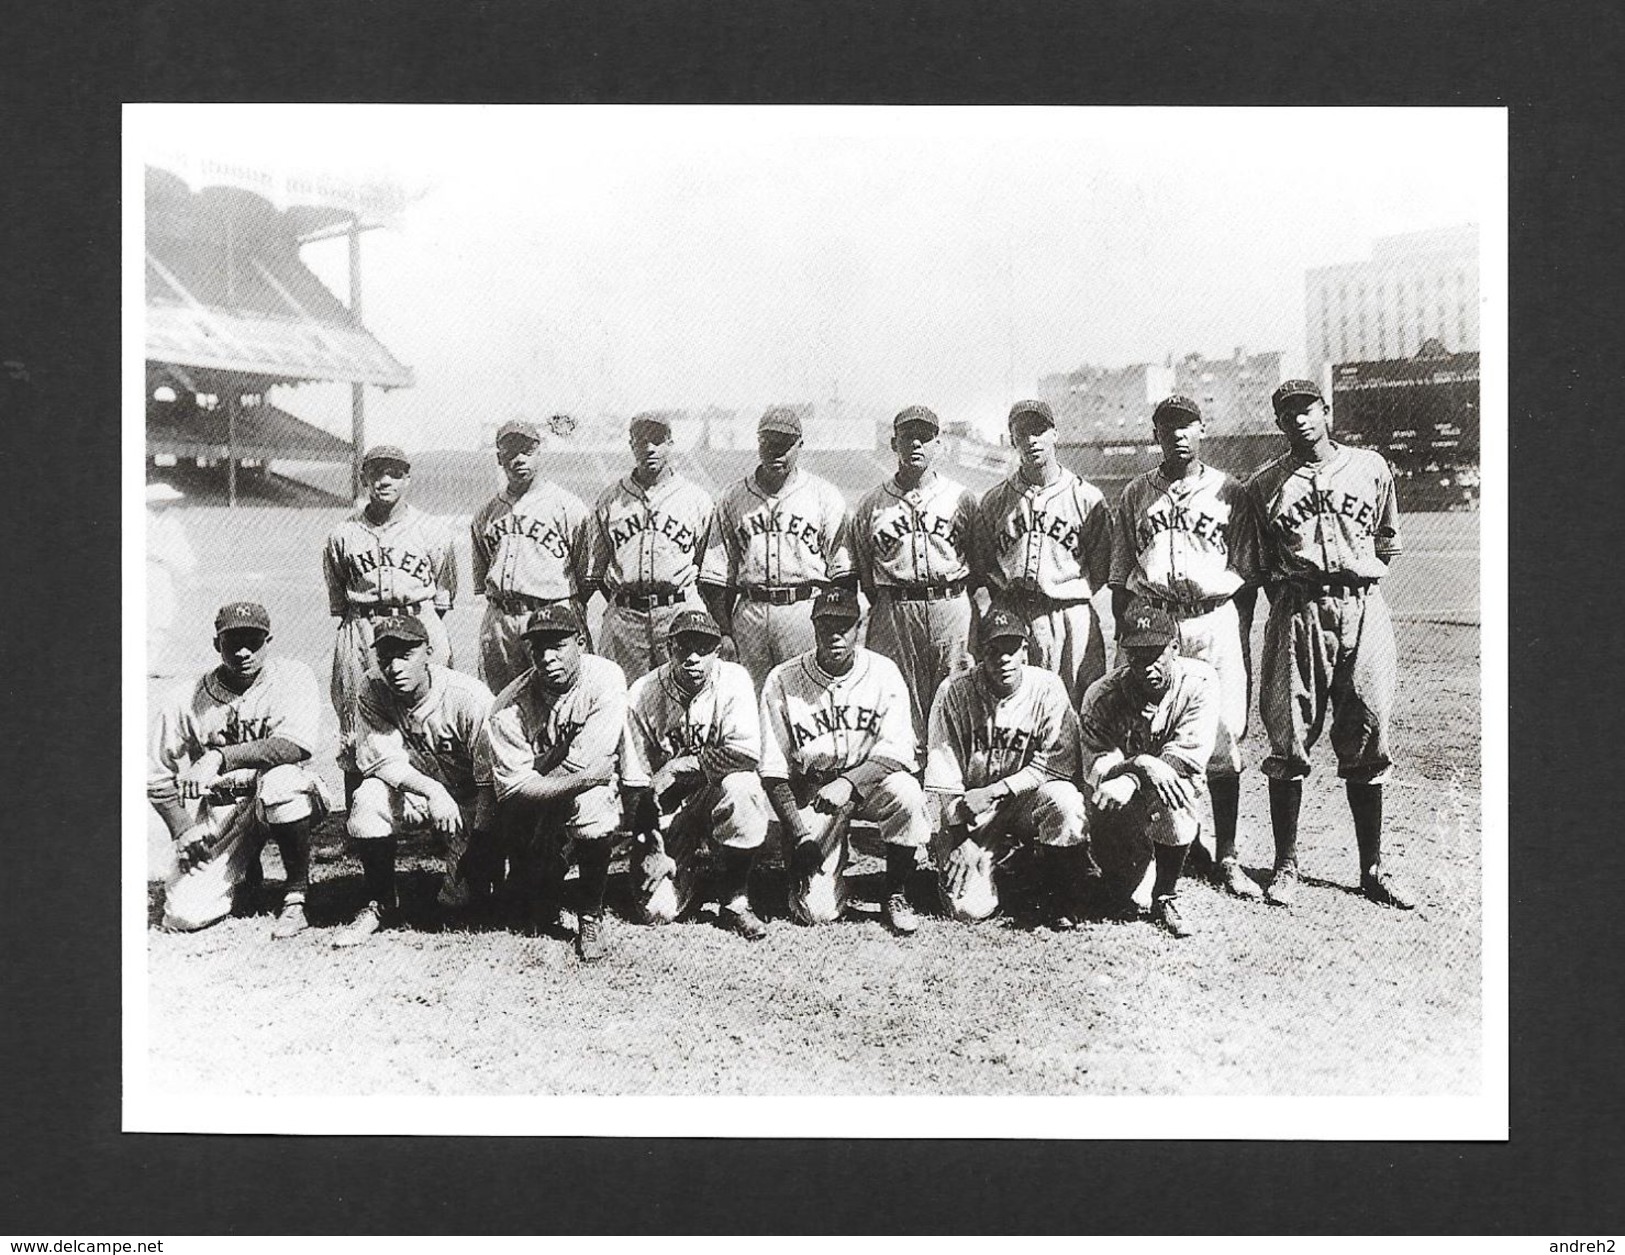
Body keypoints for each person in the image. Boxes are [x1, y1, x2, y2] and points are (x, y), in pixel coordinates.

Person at [1245, 379, 1413, 911]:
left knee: (1367, 731)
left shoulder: (1370, 466)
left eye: (1308, 410)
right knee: (1288, 737)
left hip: (1363, 607)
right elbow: (1259, 562)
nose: (1299, 420)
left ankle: (1372, 868)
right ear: (1279, 423)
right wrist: (1292, 595)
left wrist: (1363, 576)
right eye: (1288, 413)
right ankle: (1286, 865)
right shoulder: (1263, 484)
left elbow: (1388, 537)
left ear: (1326, 412)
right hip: (1298, 610)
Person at [1110, 394, 1263, 900]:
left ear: (1203, 429)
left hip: (1210, 619)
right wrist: (1128, 634)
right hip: (1153, 621)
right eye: (1167, 426)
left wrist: (1236, 637)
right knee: (1145, 735)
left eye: (1186, 425)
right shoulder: (1136, 493)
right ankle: (1157, 849)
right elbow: (1119, 578)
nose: (1177, 434)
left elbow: (1245, 577)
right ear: (1155, 434)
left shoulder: (1230, 492)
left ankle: (1228, 855)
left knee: (1221, 738)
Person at [147, 602, 329, 937]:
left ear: (268, 641)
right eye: (233, 642)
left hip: (280, 794)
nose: (243, 651)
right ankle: (244, 876)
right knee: (183, 916)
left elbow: (296, 745)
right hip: (222, 809)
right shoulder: (185, 698)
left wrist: (217, 757)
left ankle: (295, 897)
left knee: (282, 783)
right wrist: (182, 828)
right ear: (217, 644)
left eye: (253, 641)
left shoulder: (293, 676)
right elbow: (155, 775)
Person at [758, 588, 930, 933]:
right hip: (815, 794)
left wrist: (849, 783)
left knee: (907, 792)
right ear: (813, 627)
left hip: (871, 784)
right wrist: (800, 834)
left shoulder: (883, 671)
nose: (835, 634)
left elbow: (898, 750)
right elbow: (773, 770)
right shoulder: (783, 678)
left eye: (844, 625)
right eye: (826, 625)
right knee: (815, 913)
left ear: (859, 627)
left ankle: (895, 891)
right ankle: (826, 869)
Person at [330, 615, 498, 948]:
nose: (394, 667)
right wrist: (433, 791)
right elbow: (379, 760)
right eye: (386, 657)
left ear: (429, 652)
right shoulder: (372, 687)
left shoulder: (469, 697)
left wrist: (479, 846)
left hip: (471, 801)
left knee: (461, 903)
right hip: (418, 792)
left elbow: (491, 783)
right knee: (368, 799)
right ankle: (379, 902)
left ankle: (473, 875)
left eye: (405, 655)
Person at [926, 608, 1094, 927]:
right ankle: (1010, 861)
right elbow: (942, 780)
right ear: (978, 654)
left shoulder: (1048, 688)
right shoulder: (953, 692)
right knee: (967, 911)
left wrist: (998, 790)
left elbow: (1058, 765)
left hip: (1024, 802)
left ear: (1025, 653)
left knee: (1064, 800)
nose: (1003, 659)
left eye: (1011, 649)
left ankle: (1059, 891)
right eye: (993, 650)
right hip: (972, 814)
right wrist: (960, 840)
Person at [482, 603, 628, 961]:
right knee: (528, 915)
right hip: (528, 807)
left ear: (580, 642)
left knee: (592, 799)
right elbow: (514, 790)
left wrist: (571, 780)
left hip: (586, 794)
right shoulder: (507, 706)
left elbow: (591, 767)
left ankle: (590, 915)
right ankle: (538, 874)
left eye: (557, 645)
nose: (546, 657)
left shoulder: (605, 678)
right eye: (538, 647)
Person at [620, 609, 772, 939]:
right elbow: (634, 786)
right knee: (656, 912)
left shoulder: (734, 679)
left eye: (703, 649)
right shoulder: (642, 693)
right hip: (667, 809)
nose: (692, 657)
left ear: (717, 651)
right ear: (667, 649)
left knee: (744, 788)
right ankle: (692, 876)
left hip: (712, 791)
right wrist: (648, 847)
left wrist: (679, 766)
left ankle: (734, 898)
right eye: (683, 647)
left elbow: (746, 754)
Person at [323, 445, 457, 799]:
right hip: (362, 626)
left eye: (394, 473)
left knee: (432, 713)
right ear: (363, 477)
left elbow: (443, 594)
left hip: (417, 619)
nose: (384, 480)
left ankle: (438, 807)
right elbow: (339, 598)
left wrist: (421, 629)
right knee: (354, 717)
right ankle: (358, 810)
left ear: (407, 479)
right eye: (376, 472)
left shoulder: (433, 530)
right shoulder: (342, 534)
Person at [1078, 604, 1220, 938]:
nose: (1147, 666)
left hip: (1164, 790)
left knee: (1176, 785)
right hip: (1117, 802)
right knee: (1124, 894)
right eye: (1137, 655)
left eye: (1155, 653)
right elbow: (1096, 765)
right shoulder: (1102, 695)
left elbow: (1188, 757)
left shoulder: (1200, 682)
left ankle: (1166, 894)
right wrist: (1137, 767)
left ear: (1175, 647)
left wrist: (1136, 773)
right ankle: (1126, 865)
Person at [851, 404, 980, 751]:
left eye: (925, 438)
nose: (916, 445)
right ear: (894, 444)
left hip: (951, 607)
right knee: (895, 704)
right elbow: (865, 572)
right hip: (894, 610)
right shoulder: (871, 504)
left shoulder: (962, 499)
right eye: (908, 437)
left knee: (957, 696)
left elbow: (979, 564)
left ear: (939, 445)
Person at [699, 406, 854, 692]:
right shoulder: (733, 497)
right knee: (751, 701)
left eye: (785, 445)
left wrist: (832, 625)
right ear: (758, 443)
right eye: (769, 443)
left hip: (803, 610)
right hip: (750, 613)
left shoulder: (823, 495)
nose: (776, 452)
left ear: (800, 446)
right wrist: (724, 631)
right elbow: (716, 576)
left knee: (806, 698)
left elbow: (843, 574)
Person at [974, 399, 1115, 706]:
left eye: (1039, 430)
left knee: (1077, 707)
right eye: (1021, 432)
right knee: (1018, 708)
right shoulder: (995, 501)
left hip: (1070, 613)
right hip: (1013, 615)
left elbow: (1102, 567)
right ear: (1012, 440)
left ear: (1055, 434)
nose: (1030, 440)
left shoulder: (1087, 498)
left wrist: (1068, 593)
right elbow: (984, 565)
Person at [585, 412, 717, 682]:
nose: (649, 448)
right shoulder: (610, 499)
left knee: (684, 697)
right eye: (641, 441)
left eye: (657, 440)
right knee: (622, 699)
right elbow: (596, 571)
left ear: (670, 442)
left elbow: (709, 570)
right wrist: (625, 596)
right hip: (625, 621)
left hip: (678, 612)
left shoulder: (696, 499)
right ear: (631, 445)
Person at [470, 419, 592, 696]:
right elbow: (482, 579)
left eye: (526, 450)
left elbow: (586, 577)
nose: (519, 458)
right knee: (502, 702)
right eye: (511, 451)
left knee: (561, 699)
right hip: (501, 620)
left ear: (539, 452)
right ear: (499, 458)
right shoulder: (486, 513)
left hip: (550, 614)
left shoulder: (568, 506)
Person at [146, 481, 198, 679]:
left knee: (162, 617)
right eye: (164, 500)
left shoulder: (171, 522)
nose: (168, 503)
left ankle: (150, 664)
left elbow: (181, 550)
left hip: (160, 575)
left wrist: (188, 572)